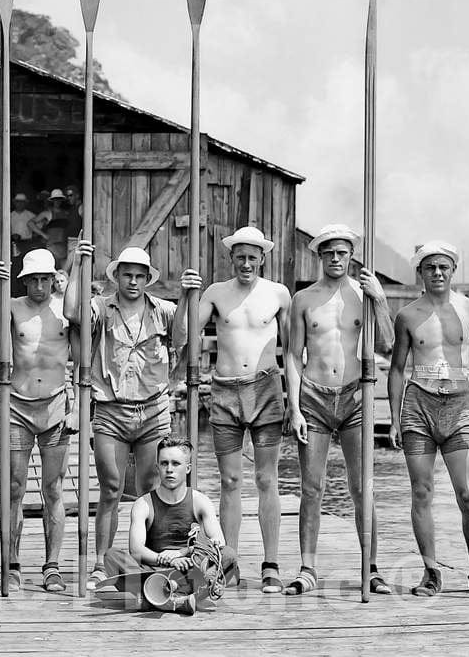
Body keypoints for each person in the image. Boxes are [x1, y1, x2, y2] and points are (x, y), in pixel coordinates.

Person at [64, 242, 202, 589]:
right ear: (117, 277)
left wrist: (187, 296)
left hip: (153, 410)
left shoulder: (164, 309)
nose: (133, 282)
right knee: (110, 487)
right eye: (127, 275)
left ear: (147, 279)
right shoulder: (100, 307)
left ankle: (152, 558)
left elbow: (184, 338)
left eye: (140, 276)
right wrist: (79, 265)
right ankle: (100, 561)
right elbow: (72, 314)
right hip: (111, 410)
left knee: (150, 489)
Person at [388, 240, 469, 598]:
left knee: (467, 494)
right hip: (418, 407)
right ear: (420, 273)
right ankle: (430, 572)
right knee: (421, 492)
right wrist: (394, 419)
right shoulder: (408, 315)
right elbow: (396, 370)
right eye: (430, 267)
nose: (437, 273)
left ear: (453, 271)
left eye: (443, 267)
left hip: (459, 408)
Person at [175, 225, 291, 594]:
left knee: (266, 479)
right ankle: (230, 561)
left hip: (266, 388)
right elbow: (184, 336)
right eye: (239, 257)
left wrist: (295, 400)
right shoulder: (215, 293)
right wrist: (185, 296)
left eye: (252, 257)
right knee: (230, 482)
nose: (246, 263)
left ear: (262, 259)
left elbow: (292, 348)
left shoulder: (278, 294)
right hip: (224, 391)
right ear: (231, 259)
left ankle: (271, 564)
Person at [285, 224, 394, 595]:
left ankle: (371, 568)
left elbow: (390, 344)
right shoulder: (304, 299)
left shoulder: (363, 296)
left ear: (351, 256)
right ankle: (307, 568)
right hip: (314, 397)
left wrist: (379, 299)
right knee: (311, 487)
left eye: (342, 253)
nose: (335, 259)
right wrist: (295, 408)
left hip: (356, 398)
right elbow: (292, 354)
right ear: (319, 256)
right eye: (329, 253)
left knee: (362, 487)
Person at [0, 249, 78, 592]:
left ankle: (52, 565)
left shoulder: (66, 310)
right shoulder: (13, 306)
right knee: (14, 489)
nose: (39, 286)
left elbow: (83, 354)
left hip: (54, 404)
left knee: (53, 488)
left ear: (53, 279)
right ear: (24, 281)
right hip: (17, 406)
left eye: (44, 279)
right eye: (33, 279)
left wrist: (76, 406)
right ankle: (12, 562)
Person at [103, 436, 237, 614]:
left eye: (176, 464)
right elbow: (136, 550)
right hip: (152, 570)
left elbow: (218, 543)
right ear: (157, 467)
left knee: (228, 555)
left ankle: (156, 595)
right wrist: (164, 559)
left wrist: (183, 554)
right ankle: (177, 597)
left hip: (191, 569)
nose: (169, 470)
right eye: (164, 464)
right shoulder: (144, 504)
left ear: (187, 468)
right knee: (112, 556)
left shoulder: (200, 501)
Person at [31, 189, 71, 268]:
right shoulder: (47, 213)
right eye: (55, 199)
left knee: (64, 271)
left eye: (59, 199)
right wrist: (43, 235)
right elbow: (30, 223)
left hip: (64, 245)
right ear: (52, 201)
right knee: (52, 269)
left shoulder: (66, 213)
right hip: (52, 246)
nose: (57, 201)